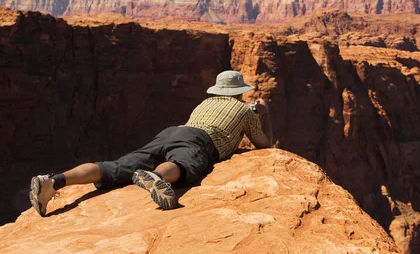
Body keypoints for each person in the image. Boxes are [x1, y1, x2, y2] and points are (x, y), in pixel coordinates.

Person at [29, 70, 273, 216]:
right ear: (241, 92)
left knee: (114, 167)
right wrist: (261, 114)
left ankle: (53, 181)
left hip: (171, 133)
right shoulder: (244, 111)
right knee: (184, 163)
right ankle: (157, 178)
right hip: (198, 139)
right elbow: (263, 144)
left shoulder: (204, 103)